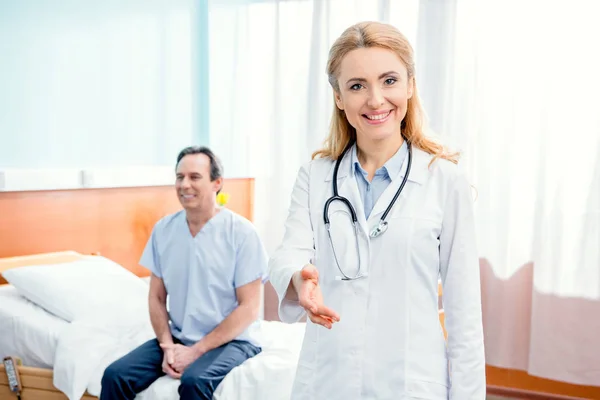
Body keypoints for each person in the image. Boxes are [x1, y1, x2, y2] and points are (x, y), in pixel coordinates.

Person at [268, 21, 485, 399]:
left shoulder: (445, 181)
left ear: (410, 86)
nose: (375, 99)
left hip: (410, 381)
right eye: (357, 86)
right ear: (338, 97)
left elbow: (465, 315)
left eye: (389, 81)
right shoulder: (315, 176)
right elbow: (290, 251)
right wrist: (299, 280)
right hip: (328, 379)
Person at [100, 146, 269, 400]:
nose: (184, 184)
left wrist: (196, 351)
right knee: (115, 376)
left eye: (194, 177)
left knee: (194, 382)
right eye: (179, 177)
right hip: (178, 338)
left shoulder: (241, 233)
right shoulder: (164, 231)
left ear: (217, 183)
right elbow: (156, 297)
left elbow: (249, 308)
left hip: (234, 340)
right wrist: (168, 346)